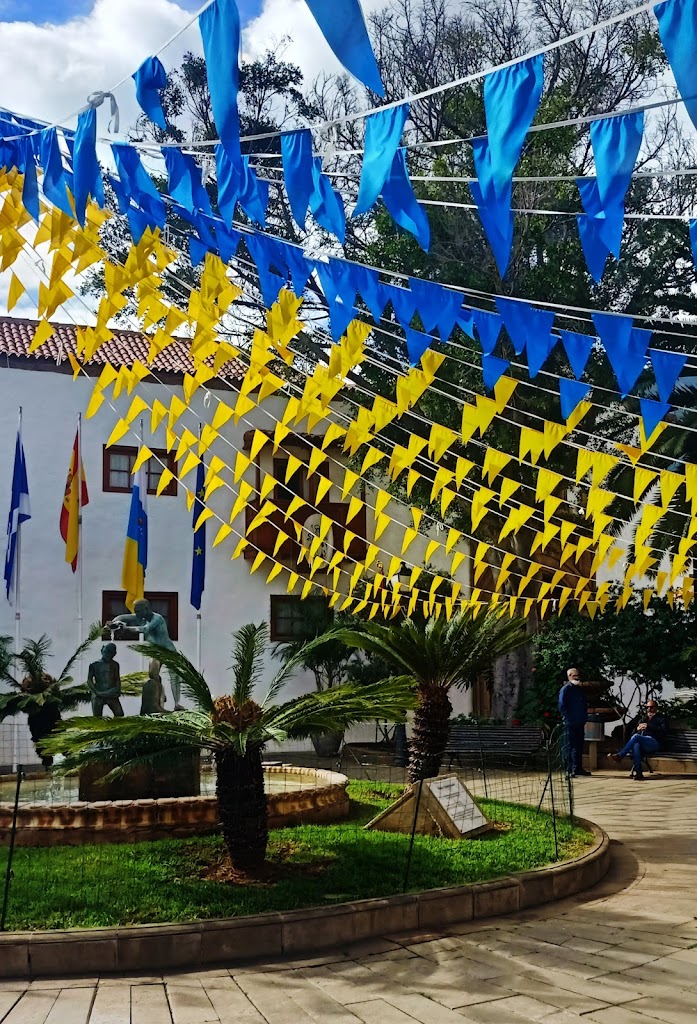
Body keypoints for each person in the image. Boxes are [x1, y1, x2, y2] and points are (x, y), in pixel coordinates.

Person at [108, 598, 183, 710]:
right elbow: (123, 617)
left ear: (146, 609)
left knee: (174, 676)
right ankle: (160, 696)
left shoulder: (157, 618)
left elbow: (145, 629)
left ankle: (177, 703)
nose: (136, 613)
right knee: (153, 674)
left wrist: (127, 628)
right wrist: (115, 623)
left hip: (168, 650)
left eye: (138, 611)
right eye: (135, 611)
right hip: (156, 652)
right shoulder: (141, 617)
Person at [608, 699, 670, 779]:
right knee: (636, 745)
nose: (649, 709)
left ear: (656, 708)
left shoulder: (662, 718)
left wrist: (648, 727)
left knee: (636, 738)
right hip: (642, 742)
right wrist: (637, 729)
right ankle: (638, 772)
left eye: (651, 707)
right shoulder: (644, 718)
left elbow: (664, 732)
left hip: (654, 743)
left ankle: (620, 755)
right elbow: (633, 734)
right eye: (647, 707)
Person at [558, 667, 591, 778]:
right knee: (569, 746)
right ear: (569, 676)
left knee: (579, 746)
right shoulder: (565, 689)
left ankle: (578, 768)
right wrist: (567, 719)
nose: (576, 677)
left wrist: (584, 717)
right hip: (570, 723)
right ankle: (568, 769)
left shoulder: (579, 690)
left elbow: (583, 705)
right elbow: (562, 706)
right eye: (574, 675)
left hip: (579, 722)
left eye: (577, 675)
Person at [87, 643, 124, 718]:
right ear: (102, 651)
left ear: (114, 654)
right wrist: (96, 691)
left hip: (111, 693)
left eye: (110, 653)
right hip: (98, 694)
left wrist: (118, 690)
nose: (107, 655)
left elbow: (117, 679)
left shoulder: (115, 665)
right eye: (106, 652)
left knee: (119, 714)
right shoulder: (94, 665)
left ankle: (114, 728)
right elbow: (89, 680)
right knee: (97, 717)